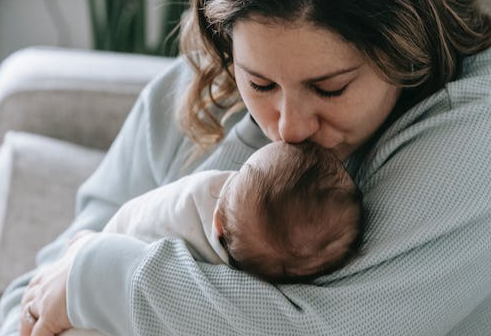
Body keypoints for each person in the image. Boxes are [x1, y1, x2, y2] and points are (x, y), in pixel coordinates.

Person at [1, 0, 490, 335]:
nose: (291, 128)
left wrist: (98, 278)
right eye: (259, 83)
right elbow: (28, 293)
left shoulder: (471, 127)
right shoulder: (192, 96)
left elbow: (322, 327)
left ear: (404, 44)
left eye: (329, 89)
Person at [102, 141, 364, 283]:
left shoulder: (211, 216)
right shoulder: (190, 204)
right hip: (118, 239)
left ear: (218, 225)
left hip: (113, 255)